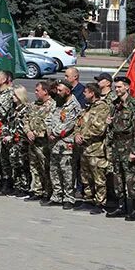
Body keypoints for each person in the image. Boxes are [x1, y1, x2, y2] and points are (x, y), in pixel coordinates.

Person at [107, 76, 135, 220]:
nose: (117, 89)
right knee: (118, 178)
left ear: (127, 87)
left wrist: (134, 151)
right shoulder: (115, 104)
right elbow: (112, 127)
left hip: (128, 146)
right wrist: (108, 123)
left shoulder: (134, 105)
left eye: (120, 87)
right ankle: (122, 206)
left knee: (132, 179)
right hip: (116, 146)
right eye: (116, 87)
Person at [74, 83, 110, 214]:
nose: (84, 94)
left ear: (92, 93)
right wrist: (77, 134)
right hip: (84, 149)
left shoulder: (102, 108)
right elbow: (79, 123)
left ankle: (100, 203)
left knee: (98, 178)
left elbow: (99, 129)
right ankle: (88, 199)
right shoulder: (87, 108)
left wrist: (83, 136)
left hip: (96, 150)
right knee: (86, 177)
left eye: (86, 92)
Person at [47, 80, 82, 209]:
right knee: (54, 170)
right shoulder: (57, 102)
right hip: (54, 143)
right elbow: (49, 117)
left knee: (67, 172)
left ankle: (69, 197)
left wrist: (54, 133)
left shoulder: (74, 105)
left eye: (60, 90)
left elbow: (69, 124)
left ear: (68, 91)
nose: (58, 92)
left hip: (66, 144)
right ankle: (57, 195)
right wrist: (49, 131)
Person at [24, 81, 55, 203]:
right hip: (32, 142)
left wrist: (36, 133)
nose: (35, 93)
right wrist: (28, 132)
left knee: (45, 167)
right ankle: (38, 190)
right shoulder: (33, 105)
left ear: (45, 91)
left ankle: (48, 191)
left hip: (44, 143)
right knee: (34, 167)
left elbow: (50, 124)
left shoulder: (52, 105)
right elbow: (26, 119)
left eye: (37, 90)